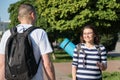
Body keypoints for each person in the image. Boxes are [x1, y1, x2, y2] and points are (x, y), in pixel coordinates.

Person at [0, 3, 56, 80]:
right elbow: (47, 64)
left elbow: (2, 64)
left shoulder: (7, 34)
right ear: (32, 15)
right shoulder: (40, 33)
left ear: (19, 18)